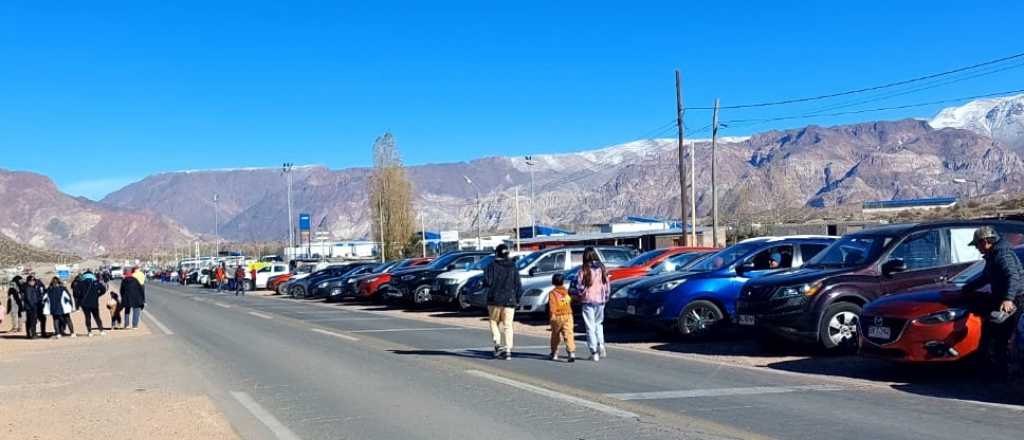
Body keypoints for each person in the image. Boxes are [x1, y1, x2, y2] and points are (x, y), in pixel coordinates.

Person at [962, 226, 1024, 376]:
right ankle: (996, 368)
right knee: (994, 333)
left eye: (977, 245)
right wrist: (967, 288)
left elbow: (1013, 276)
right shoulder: (993, 255)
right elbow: (986, 277)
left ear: (985, 242)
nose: (977, 249)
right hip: (1004, 298)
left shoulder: (1002, 255)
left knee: (1002, 335)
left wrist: (1008, 299)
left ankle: (1003, 371)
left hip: (1014, 300)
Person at [483, 244, 521, 360]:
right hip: (510, 299)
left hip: (494, 299)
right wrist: (517, 299)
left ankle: (497, 343)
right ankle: (508, 349)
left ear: (497, 253)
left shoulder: (491, 266)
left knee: (494, 321)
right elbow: (518, 284)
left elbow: (487, 282)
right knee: (508, 325)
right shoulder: (513, 266)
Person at [575, 247, 610, 362]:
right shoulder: (602, 268)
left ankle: (593, 351)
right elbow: (607, 284)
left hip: (588, 300)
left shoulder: (584, 270)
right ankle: (601, 344)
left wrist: (579, 295)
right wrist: (606, 296)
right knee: (598, 324)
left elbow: (579, 286)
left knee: (590, 327)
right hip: (600, 300)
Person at [547, 273, 576, 362]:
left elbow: (552, 305)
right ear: (563, 282)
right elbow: (568, 301)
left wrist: (552, 315)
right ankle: (571, 352)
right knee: (568, 334)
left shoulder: (552, 293)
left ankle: (554, 352)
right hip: (568, 314)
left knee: (555, 335)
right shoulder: (566, 292)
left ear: (553, 282)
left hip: (557, 315)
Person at [79, 272, 107, 336]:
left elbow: (76, 292)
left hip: (85, 303)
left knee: (87, 317)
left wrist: (80, 298)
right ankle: (101, 330)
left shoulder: (81, 283)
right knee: (97, 317)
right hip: (94, 303)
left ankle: (89, 332)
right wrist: (98, 295)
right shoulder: (96, 282)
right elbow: (104, 289)